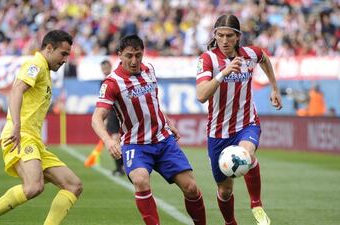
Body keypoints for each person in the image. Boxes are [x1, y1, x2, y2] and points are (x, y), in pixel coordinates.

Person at [0, 30, 83, 225]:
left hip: (34, 141)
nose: (65, 59)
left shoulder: (45, 71)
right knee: (33, 187)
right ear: (49, 48)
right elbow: (16, 91)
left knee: (73, 185)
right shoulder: (35, 64)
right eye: (63, 54)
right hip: (20, 135)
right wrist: (16, 125)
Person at [92, 35, 206, 225]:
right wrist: (108, 140)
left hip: (163, 140)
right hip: (135, 145)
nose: (134, 61)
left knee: (191, 187)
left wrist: (167, 121)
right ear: (119, 55)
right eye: (129, 56)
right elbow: (96, 118)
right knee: (140, 180)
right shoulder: (112, 83)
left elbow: (153, 103)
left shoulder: (149, 70)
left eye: (138, 55)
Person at [195, 14, 282, 225]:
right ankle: (230, 222)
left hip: (246, 123)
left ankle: (256, 205)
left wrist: (274, 88)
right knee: (225, 191)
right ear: (214, 35)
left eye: (229, 36)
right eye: (220, 35)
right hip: (218, 133)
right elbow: (201, 95)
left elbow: (264, 59)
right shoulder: (207, 59)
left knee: (246, 155)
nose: (224, 41)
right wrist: (223, 73)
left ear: (238, 36)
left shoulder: (250, 54)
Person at [100, 59, 125, 176]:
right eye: (103, 68)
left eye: (106, 68)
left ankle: (122, 167)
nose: (104, 70)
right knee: (116, 141)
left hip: (119, 114)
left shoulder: (116, 79)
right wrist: (104, 119)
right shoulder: (103, 82)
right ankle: (120, 167)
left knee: (118, 141)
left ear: (110, 67)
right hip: (111, 115)